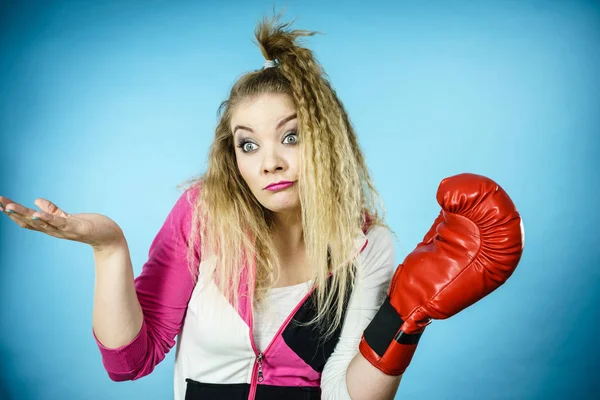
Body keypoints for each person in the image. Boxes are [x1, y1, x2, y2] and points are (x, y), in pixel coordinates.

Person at [0, 14, 524, 400]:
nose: (270, 162)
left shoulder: (367, 246)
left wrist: (405, 318)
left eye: (291, 136)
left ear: (326, 139)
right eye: (247, 144)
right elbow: (129, 362)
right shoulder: (203, 214)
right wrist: (109, 248)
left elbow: (348, 396)